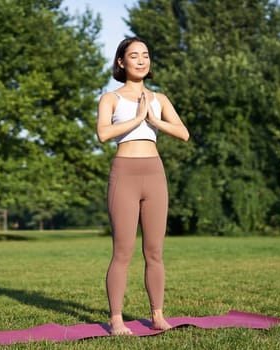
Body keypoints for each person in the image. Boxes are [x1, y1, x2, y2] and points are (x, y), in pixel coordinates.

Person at [96, 36, 190, 336]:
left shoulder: (159, 99)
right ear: (121, 62)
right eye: (134, 55)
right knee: (122, 252)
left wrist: (153, 120)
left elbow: (183, 133)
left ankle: (158, 316)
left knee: (155, 251)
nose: (141, 60)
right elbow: (103, 134)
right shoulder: (110, 98)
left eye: (145, 55)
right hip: (124, 174)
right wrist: (137, 118)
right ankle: (116, 320)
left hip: (154, 174)